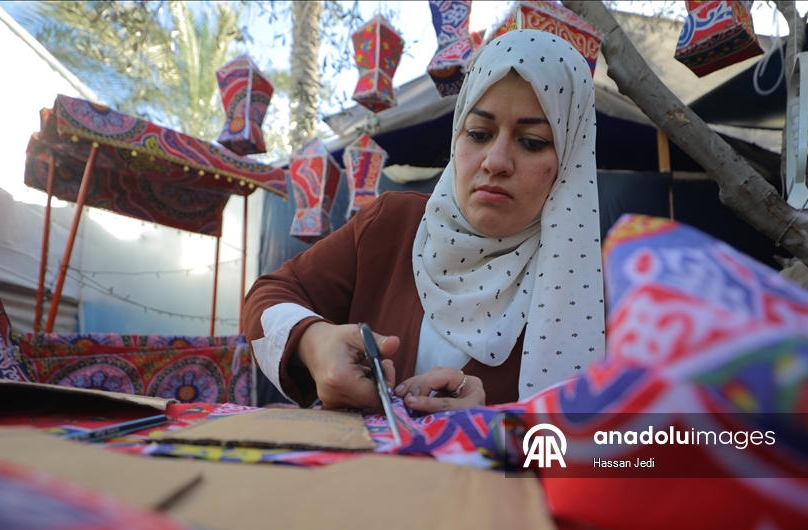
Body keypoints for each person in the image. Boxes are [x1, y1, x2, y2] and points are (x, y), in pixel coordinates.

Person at [244, 30, 605, 414]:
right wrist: (314, 343)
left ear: (568, 161)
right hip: (353, 474)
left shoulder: (588, 291)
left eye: (532, 141)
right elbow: (269, 297)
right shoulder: (392, 226)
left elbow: (613, 453)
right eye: (479, 134)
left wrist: (497, 427)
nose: (495, 161)